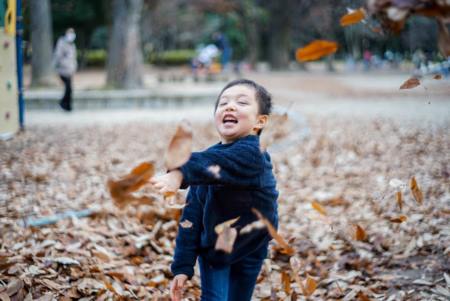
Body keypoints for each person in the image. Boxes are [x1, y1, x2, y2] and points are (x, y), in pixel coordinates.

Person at [150, 79, 278, 301]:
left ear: (260, 121)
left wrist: (179, 173)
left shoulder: (254, 155)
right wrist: (182, 266)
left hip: (251, 246)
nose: (230, 106)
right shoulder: (206, 164)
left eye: (242, 102)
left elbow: (216, 162)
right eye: (223, 102)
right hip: (215, 251)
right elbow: (192, 217)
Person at [53, 28, 77, 111]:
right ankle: (64, 104)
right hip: (62, 70)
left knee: (69, 88)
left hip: (69, 70)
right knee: (68, 87)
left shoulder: (72, 45)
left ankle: (67, 105)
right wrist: (56, 67)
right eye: (70, 33)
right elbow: (58, 55)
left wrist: (74, 68)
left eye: (72, 33)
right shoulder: (62, 43)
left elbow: (73, 58)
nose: (71, 35)